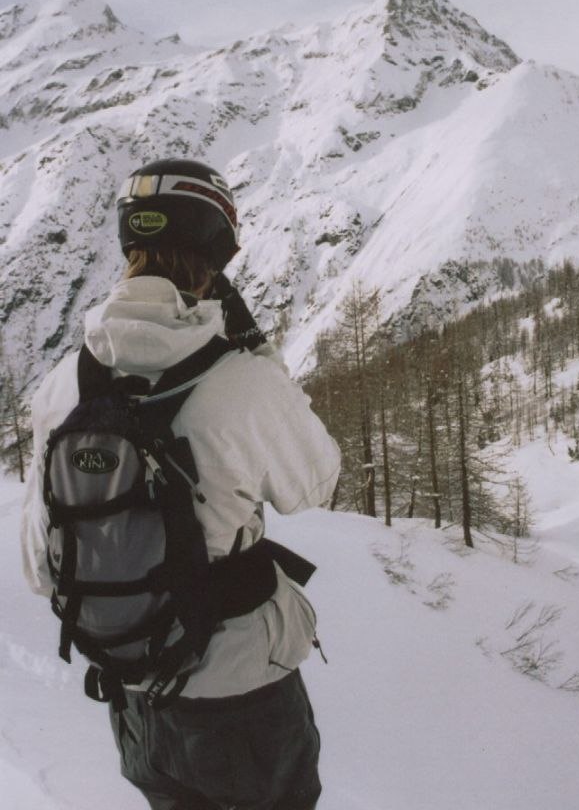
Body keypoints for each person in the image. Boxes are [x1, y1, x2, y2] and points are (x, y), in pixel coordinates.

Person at [21, 157, 341, 810]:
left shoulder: (62, 384)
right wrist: (258, 356)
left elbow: (37, 565)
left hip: (136, 703)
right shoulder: (242, 381)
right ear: (217, 250)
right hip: (243, 698)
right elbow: (314, 482)